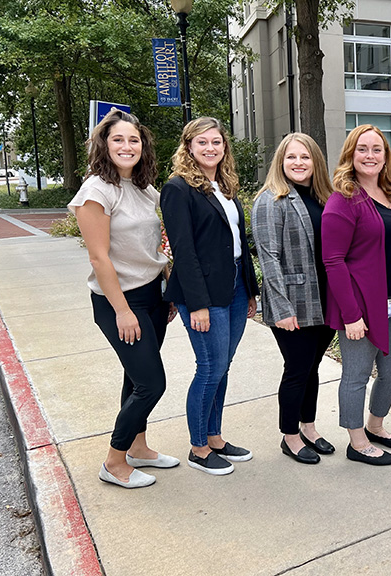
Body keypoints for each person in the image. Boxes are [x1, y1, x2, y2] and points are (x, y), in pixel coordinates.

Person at [70, 109, 178, 489]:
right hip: (120, 300)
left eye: (134, 140)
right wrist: (122, 310)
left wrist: (168, 291)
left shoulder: (146, 188)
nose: (127, 146)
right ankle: (114, 461)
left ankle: (139, 447)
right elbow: (99, 258)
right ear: (104, 144)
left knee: (136, 378)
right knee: (152, 383)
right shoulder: (95, 192)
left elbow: (154, 244)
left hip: (152, 294)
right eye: (118, 139)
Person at [160, 117, 259, 476]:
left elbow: (239, 244)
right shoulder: (178, 188)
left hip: (233, 287)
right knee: (210, 368)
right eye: (202, 143)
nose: (210, 148)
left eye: (216, 142)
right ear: (188, 147)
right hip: (202, 294)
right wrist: (198, 305)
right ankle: (198, 447)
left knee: (223, 366)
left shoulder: (224, 185)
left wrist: (249, 290)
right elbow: (183, 252)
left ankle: (215, 437)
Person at [323, 124, 391, 466]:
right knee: (357, 374)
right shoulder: (343, 199)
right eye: (363, 149)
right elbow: (333, 260)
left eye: (377, 149)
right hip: (360, 304)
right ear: (351, 154)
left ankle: (376, 424)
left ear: (386, 156)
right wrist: (350, 314)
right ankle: (356, 441)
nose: (370, 155)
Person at [251, 133, 336, 465]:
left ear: (315, 162)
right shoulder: (270, 200)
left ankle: (309, 427)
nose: (298, 163)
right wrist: (282, 308)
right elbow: (269, 257)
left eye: (305, 157)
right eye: (291, 157)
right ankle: (289, 436)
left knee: (311, 367)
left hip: (324, 300)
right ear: (280, 162)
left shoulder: (324, 198)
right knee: (297, 368)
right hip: (293, 302)